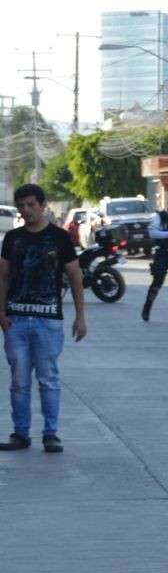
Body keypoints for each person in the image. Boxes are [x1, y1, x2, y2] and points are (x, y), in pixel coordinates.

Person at [0, 184, 87, 453]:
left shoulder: (59, 238)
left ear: (43, 205)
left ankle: (51, 434)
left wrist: (80, 317)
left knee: (48, 379)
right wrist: (1, 313)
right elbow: (3, 276)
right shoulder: (12, 238)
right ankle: (20, 434)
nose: (26, 210)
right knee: (19, 382)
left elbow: (75, 276)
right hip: (16, 321)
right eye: (22, 206)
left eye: (31, 205)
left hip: (48, 321)